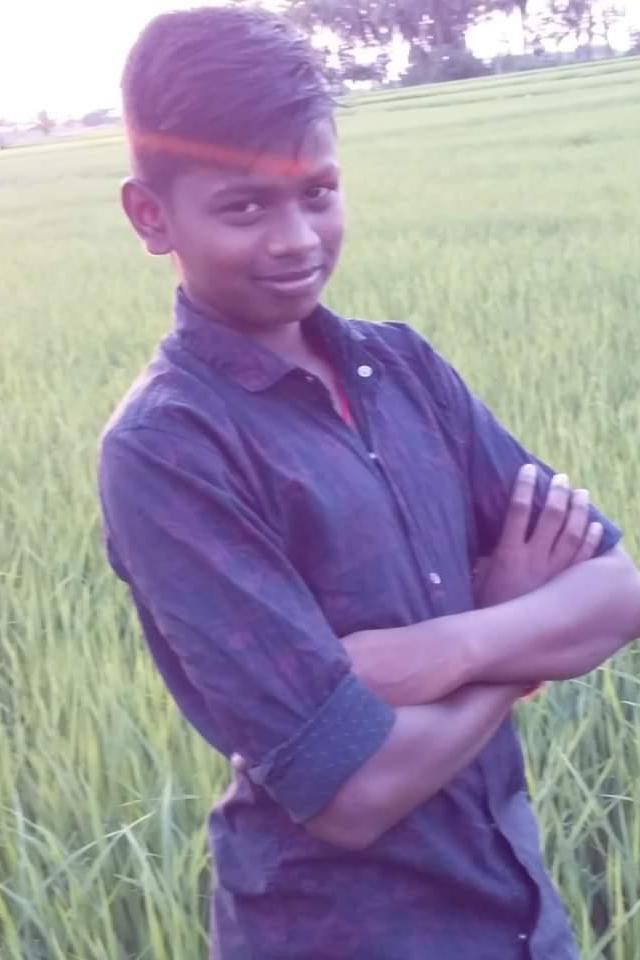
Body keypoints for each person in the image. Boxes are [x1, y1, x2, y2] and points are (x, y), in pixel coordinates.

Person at [98, 7, 640, 958]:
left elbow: (618, 589)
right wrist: (519, 634)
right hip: (340, 932)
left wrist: (452, 643)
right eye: (245, 208)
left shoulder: (403, 368)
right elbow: (351, 791)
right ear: (152, 216)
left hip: (518, 912)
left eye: (318, 193)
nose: (296, 238)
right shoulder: (169, 448)